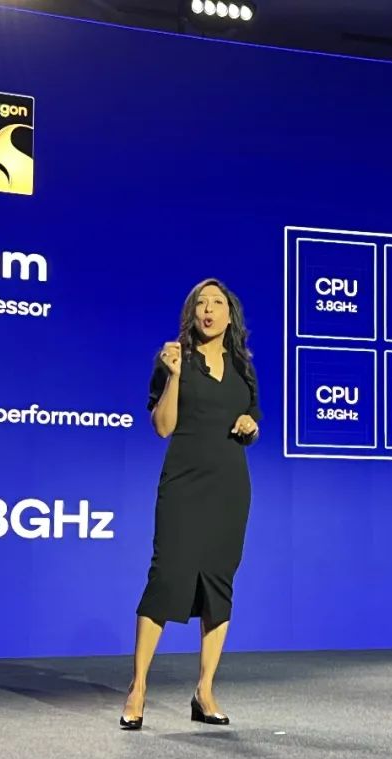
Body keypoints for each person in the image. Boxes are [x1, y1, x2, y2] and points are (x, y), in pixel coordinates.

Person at [120, 279, 261, 730]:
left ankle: (205, 691)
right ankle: (138, 688)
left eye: (217, 303)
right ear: (192, 313)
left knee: (219, 582)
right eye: (201, 303)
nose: (208, 310)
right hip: (184, 482)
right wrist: (175, 376)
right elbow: (163, 427)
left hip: (229, 486)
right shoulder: (173, 357)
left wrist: (249, 425)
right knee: (167, 576)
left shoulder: (242, 365)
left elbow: (252, 420)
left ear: (230, 316)